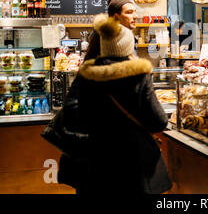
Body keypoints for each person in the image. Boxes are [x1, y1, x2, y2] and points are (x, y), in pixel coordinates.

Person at [57, 13, 172, 194]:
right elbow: (158, 121)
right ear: (128, 48)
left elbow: (70, 116)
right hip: (133, 166)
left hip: (93, 163)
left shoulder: (86, 74)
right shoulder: (139, 76)